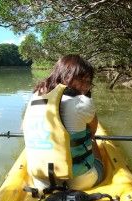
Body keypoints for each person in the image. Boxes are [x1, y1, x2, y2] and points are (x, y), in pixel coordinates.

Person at [22, 54, 104, 192]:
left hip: (42, 181)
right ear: (65, 77)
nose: (84, 86)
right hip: (79, 182)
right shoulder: (83, 102)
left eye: (88, 81)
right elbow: (93, 131)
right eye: (79, 79)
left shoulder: (35, 97)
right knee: (92, 139)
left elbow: (23, 127)